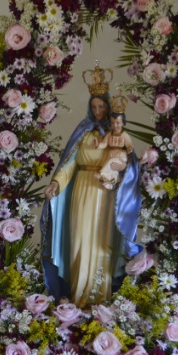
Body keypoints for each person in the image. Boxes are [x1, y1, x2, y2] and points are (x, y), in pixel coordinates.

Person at [41, 86, 142, 308]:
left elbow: (128, 165)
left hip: (105, 194)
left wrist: (118, 176)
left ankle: (99, 299)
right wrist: (56, 183)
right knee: (78, 240)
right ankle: (77, 296)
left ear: (108, 107)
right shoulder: (84, 132)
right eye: (94, 106)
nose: (97, 110)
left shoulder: (117, 133)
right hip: (82, 189)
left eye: (101, 106)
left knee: (101, 242)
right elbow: (70, 163)